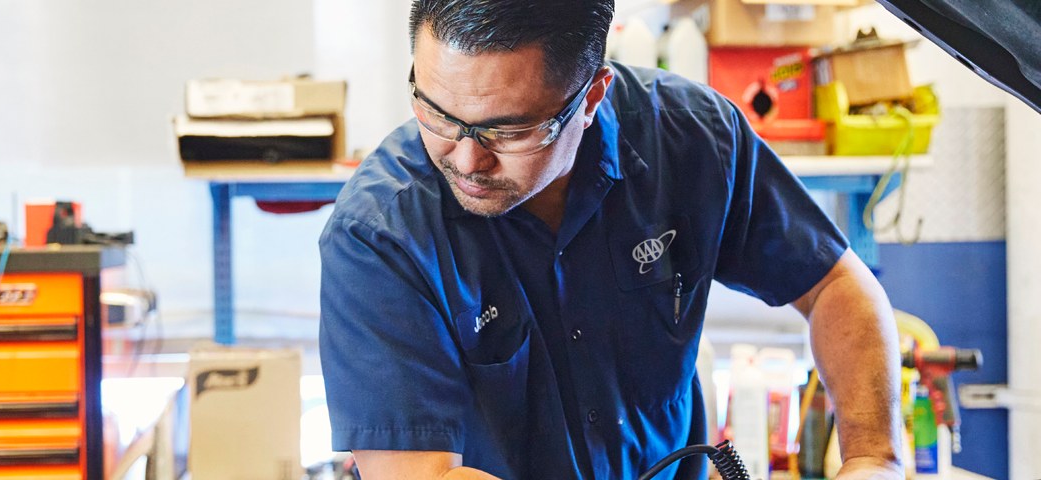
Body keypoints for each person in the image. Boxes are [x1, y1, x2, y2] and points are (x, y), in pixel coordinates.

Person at [317, 1, 904, 478]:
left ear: (591, 96)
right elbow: (421, 476)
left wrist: (875, 457)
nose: (466, 157)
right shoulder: (379, 233)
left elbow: (832, 283)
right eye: (437, 112)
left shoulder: (690, 138)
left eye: (509, 130)